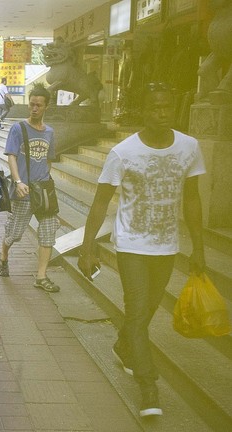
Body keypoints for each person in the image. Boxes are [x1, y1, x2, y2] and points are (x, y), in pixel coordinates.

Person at [78, 83, 206, 417]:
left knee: (146, 311)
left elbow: (192, 198)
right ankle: (148, 385)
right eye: (154, 108)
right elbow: (100, 202)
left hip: (166, 246)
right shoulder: (123, 153)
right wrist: (87, 248)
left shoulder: (189, 147)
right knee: (137, 311)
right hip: (132, 244)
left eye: (167, 107)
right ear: (143, 111)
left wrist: (199, 247)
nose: (161, 114)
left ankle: (123, 345)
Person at [0, 85, 61, 293]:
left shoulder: (49, 132)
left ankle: (41, 276)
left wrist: (45, 181)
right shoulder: (19, 129)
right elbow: (11, 156)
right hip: (22, 191)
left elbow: (49, 159)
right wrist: (18, 181)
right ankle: (3, 254)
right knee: (15, 233)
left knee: (48, 232)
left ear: (46, 107)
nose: (34, 108)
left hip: (43, 191)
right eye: (31, 104)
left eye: (38, 105)